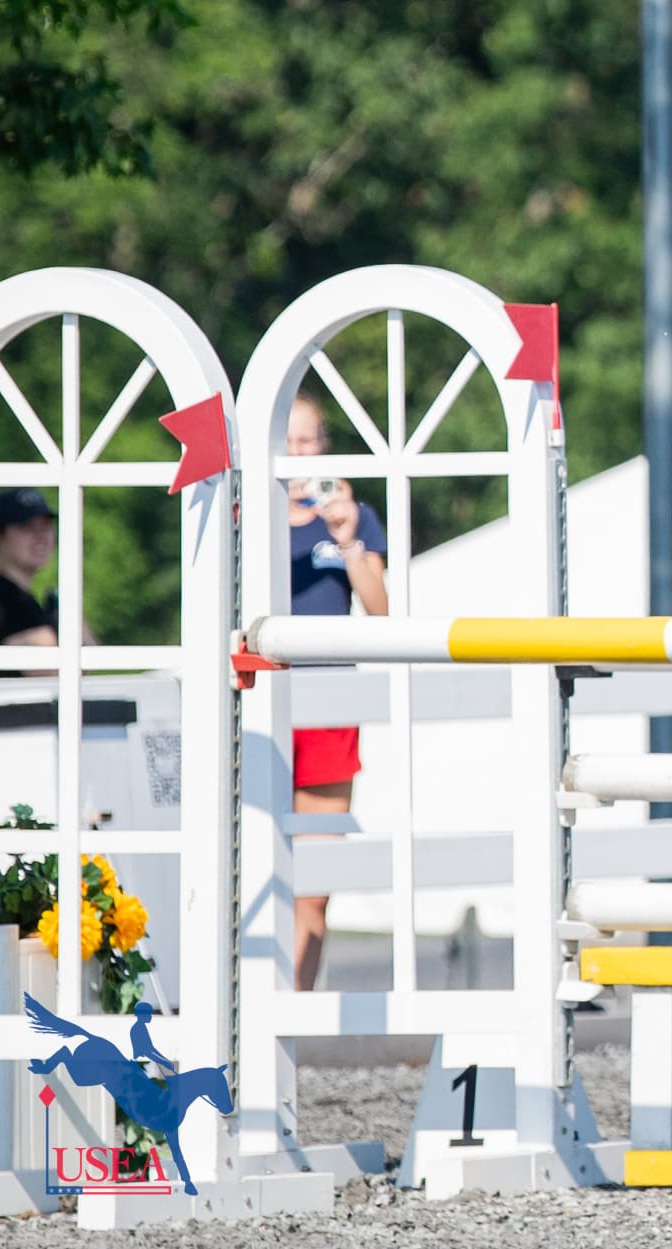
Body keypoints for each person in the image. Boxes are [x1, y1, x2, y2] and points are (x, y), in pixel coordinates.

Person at [284, 393, 388, 990]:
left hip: (328, 710)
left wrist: (347, 539)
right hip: (256, 708)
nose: (298, 455)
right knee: (243, 883)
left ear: (324, 447)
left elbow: (381, 611)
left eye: (307, 441)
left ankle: (289, 1024)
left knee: (312, 887)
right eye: (288, 442)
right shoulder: (241, 515)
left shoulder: (353, 516)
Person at [0, 487, 61, 674]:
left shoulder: (19, 598)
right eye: (27, 527)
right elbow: (52, 670)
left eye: (45, 526)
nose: (40, 537)